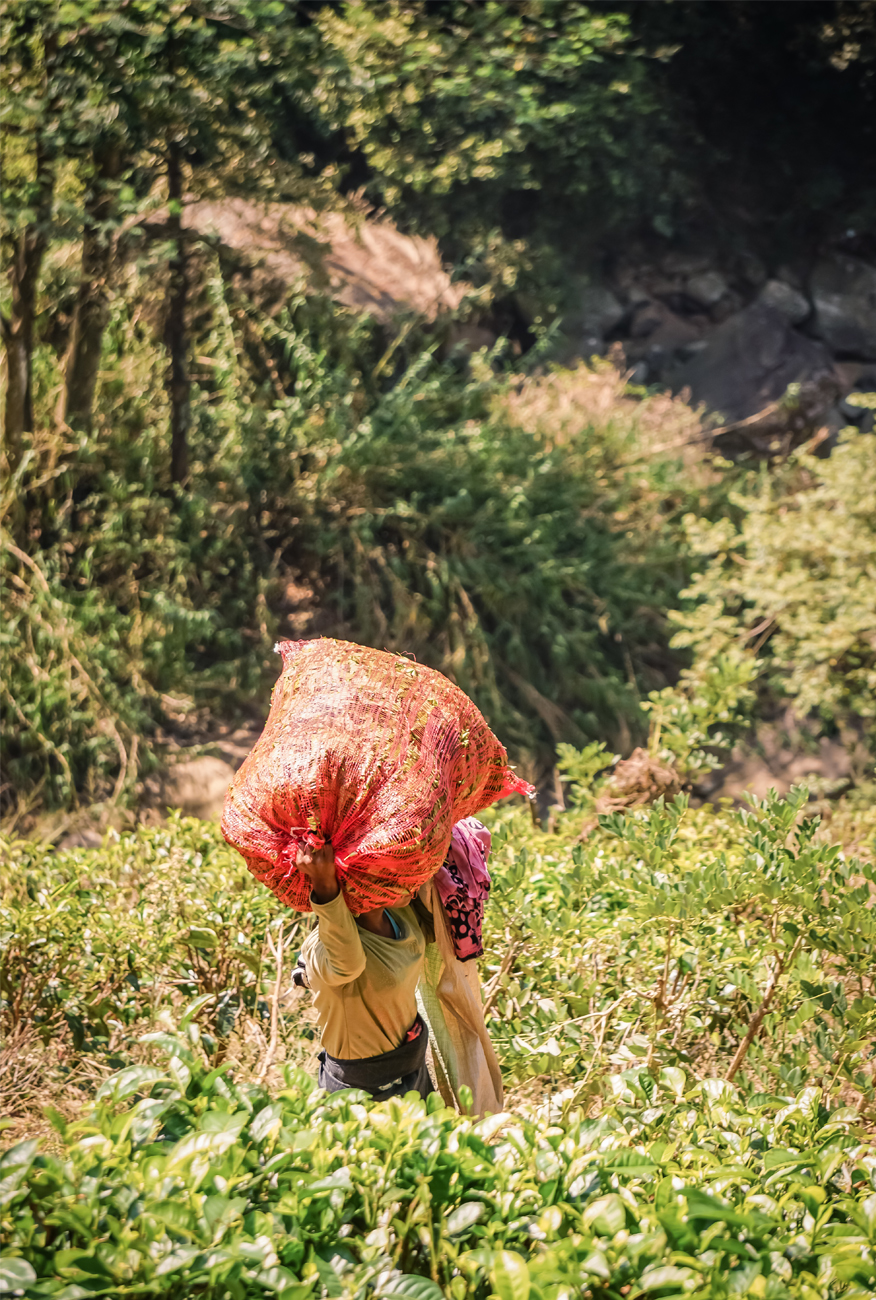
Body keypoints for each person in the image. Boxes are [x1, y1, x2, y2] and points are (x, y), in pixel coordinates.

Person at [294, 841, 434, 1101]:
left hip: (411, 1069)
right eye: (394, 874)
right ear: (361, 882)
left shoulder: (400, 912)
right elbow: (348, 964)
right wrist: (324, 884)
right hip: (361, 1092)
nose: (411, 884)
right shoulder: (324, 948)